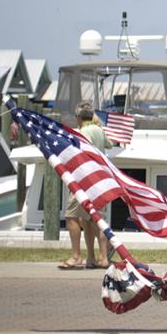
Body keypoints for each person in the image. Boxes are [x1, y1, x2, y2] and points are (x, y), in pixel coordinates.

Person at [59, 102, 112, 270]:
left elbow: (79, 153)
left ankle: (76, 257)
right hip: (99, 180)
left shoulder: (81, 133)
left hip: (84, 180)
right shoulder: (99, 131)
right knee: (92, 219)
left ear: (79, 117)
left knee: (71, 217)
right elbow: (110, 144)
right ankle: (98, 258)